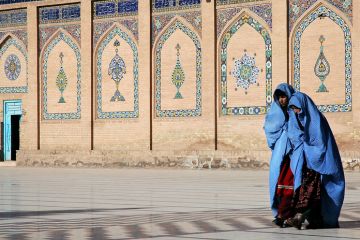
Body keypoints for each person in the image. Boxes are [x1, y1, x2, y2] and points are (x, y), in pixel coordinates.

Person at [286, 92, 345, 229]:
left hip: (321, 162)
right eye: (293, 108)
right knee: (308, 192)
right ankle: (311, 219)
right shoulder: (296, 119)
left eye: (298, 108)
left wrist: (313, 156)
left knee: (312, 192)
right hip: (307, 164)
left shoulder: (316, 119)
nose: (296, 111)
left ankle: (301, 217)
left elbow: (320, 143)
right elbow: (295, 137)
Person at [264, 83, 298, 227]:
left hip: (293, 155)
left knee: (291, 185)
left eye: (284, 96)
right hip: (280, 156)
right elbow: (270, 130)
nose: (282, 100)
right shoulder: (275, 112)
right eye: (279, 97)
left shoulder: (295, 111)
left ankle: (288, 215)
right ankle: (280, 213)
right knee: (279, 184)